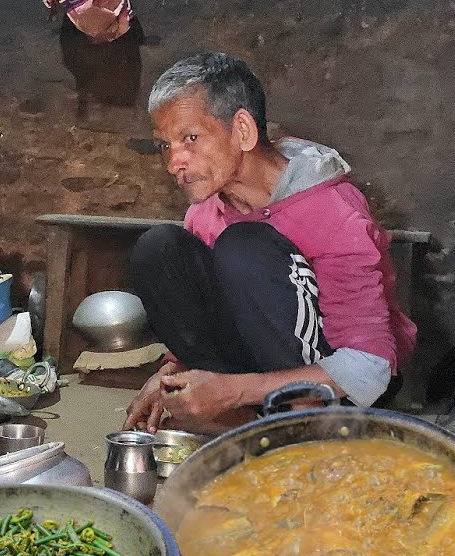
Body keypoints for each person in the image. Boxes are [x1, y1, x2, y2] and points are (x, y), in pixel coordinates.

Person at [124, 53, 416, 434]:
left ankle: (299, 422)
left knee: (244, 248)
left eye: (190, 138)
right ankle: (252, 420)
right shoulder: (206, 212)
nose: (173, 163)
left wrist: (233, 391)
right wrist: (172, 370)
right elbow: (208, 310)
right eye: (165, 145)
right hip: (260, 373)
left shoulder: (330, 209)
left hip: (344, 385)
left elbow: (370, 367)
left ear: (242, 130)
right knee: (158, 248)